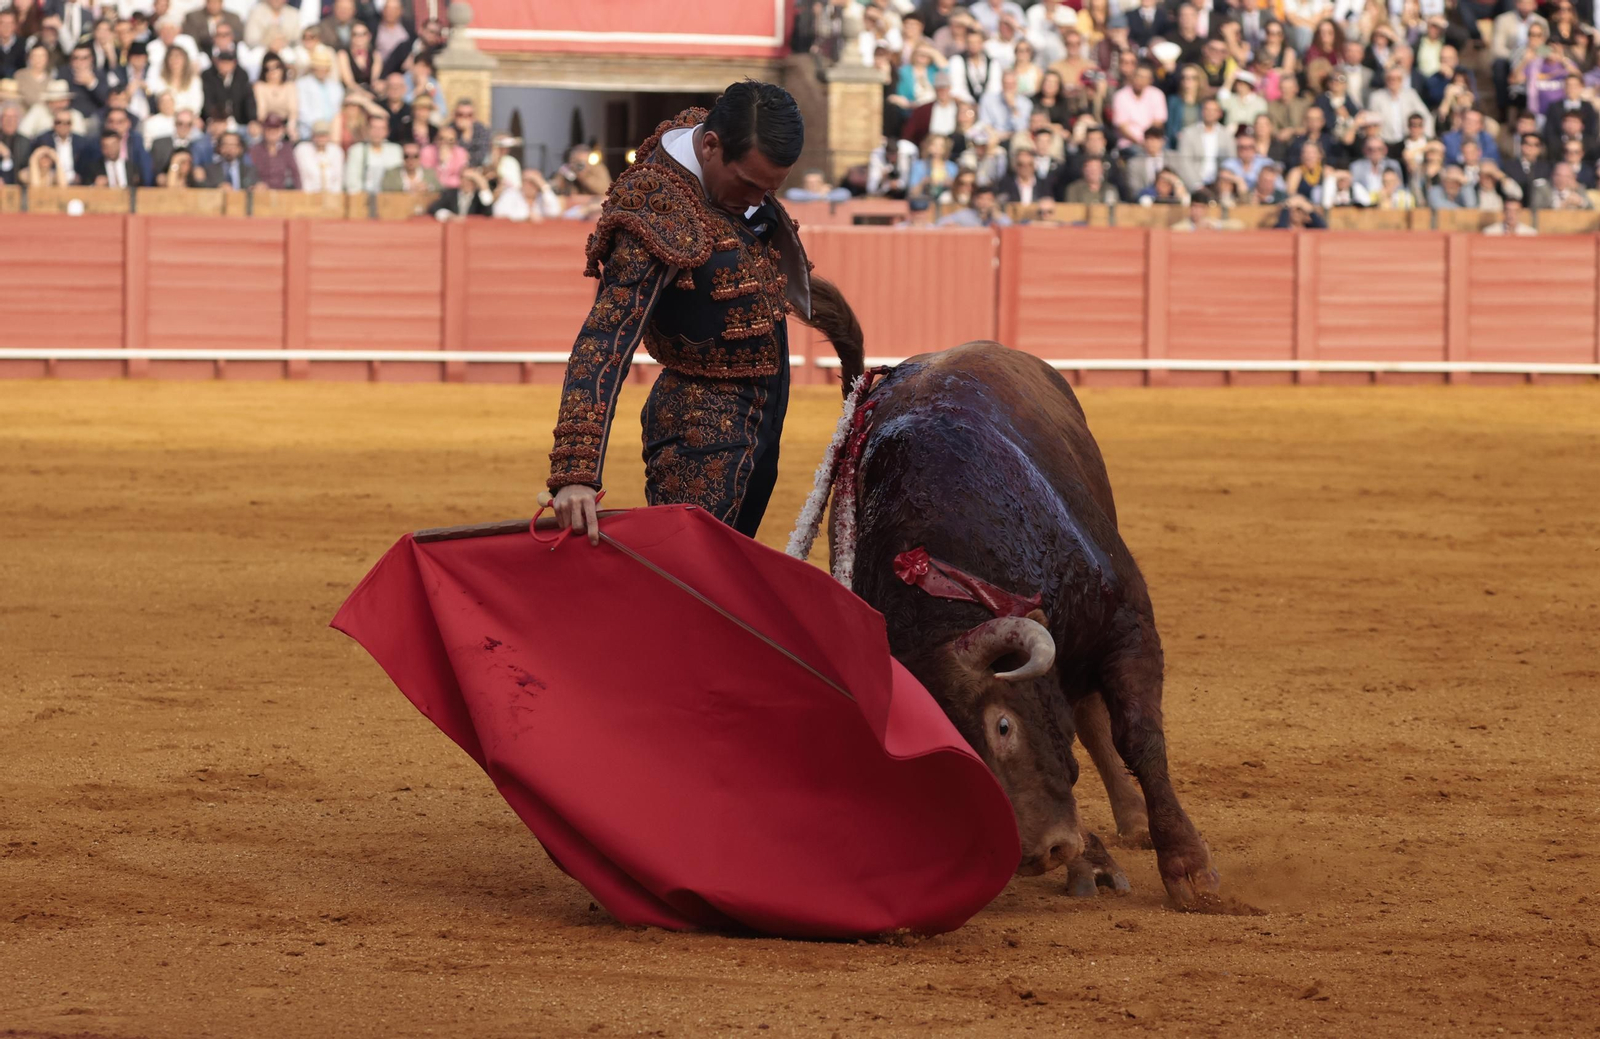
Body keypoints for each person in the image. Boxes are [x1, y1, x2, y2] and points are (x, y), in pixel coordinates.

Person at [545, 81, 862, 545]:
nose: (758, 200)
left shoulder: (713, 148)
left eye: (769, 189)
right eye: (749, 184)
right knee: (695, 579)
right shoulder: (654, 209)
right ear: (710, 147)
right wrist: (575, 470)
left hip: (757, 418)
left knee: (727, 569)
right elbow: (604, 338)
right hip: (701, 431)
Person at [344, 111, 400, 193]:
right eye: (374, 128)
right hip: (362, 198)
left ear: (387, 131)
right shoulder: (356, 150)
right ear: (367, 129)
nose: (377, 132)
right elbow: (351, 181)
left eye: (381, 128)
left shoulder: (395, 150)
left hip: (389, 197)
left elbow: (397, 179)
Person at [248, 112, 296, 188]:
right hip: (261, 193)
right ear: (263, 130)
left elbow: (295, 173)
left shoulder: (287, 149)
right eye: (269, 129)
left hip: (283, 193)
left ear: (281, 130)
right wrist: (256, 184)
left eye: (276, 129)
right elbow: (249, 172)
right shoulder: (254, 149)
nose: (272, 132)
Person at [293, 119, 342, 191]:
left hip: (331, 195)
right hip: (309, 195)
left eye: (324, 135)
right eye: (318, 135)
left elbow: (338, 179)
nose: (321, 138)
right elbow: (302, 178)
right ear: (313, 136)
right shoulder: (302, 150)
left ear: (329, 136)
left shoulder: (336, 151)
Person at [253, 51, 295, 135]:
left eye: (276, 67)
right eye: (268, 68)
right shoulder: (260, 86)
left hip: (285, 125)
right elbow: (261, 111)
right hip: (266, 125)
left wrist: (290, 127)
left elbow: (293, 111)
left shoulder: (290, 86)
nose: (272, 71)